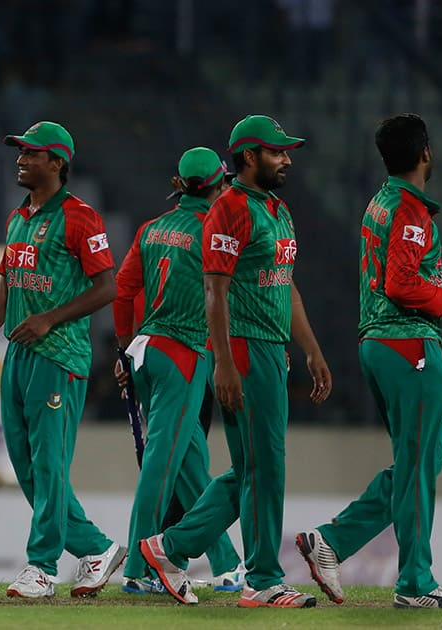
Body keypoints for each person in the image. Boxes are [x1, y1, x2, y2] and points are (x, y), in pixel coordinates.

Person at [139, 115, 332, 608]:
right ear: (249, 157)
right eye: (276, 152)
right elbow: (214, 289)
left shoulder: (278, 209)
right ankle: (264, 579)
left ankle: (170, 547)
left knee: (249, 467)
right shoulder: (229, 208)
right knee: (267, 468)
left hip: (271, 347)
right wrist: (223, 363)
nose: (287, 158)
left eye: (286, 151)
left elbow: (284, 284)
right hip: (243, 346)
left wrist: (310, 349)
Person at [295, 113, 442, 609]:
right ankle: (416, 583)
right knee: (419, 467)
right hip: (410, 347)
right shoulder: (410, 211)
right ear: (425, 154)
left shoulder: (379, 202)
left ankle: (332, 543)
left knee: (413, 466)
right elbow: (402, 284)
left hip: (378, 345)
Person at [0, 121, 126, 598]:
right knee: (26, 466)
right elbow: (5, 293)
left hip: (59, 355)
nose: (20, 159)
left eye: (31, 153)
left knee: (49, 465)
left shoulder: (81, 217)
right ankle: (97, 549)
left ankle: (41, 568)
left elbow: (108, 287)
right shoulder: (18, 217)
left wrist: (50, 319)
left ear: (57, 162)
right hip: (20, 356)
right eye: (19, 152)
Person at [113, 148, 244, 601]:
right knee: (162, 464)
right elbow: (228, 296)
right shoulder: (215, 229)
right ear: (218, 184)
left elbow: (125, 288)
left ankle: (227, 564)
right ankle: (137, 567)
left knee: (185, 462)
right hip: (185, 355)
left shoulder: (153, 228)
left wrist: (124, 347)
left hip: (146, 353)